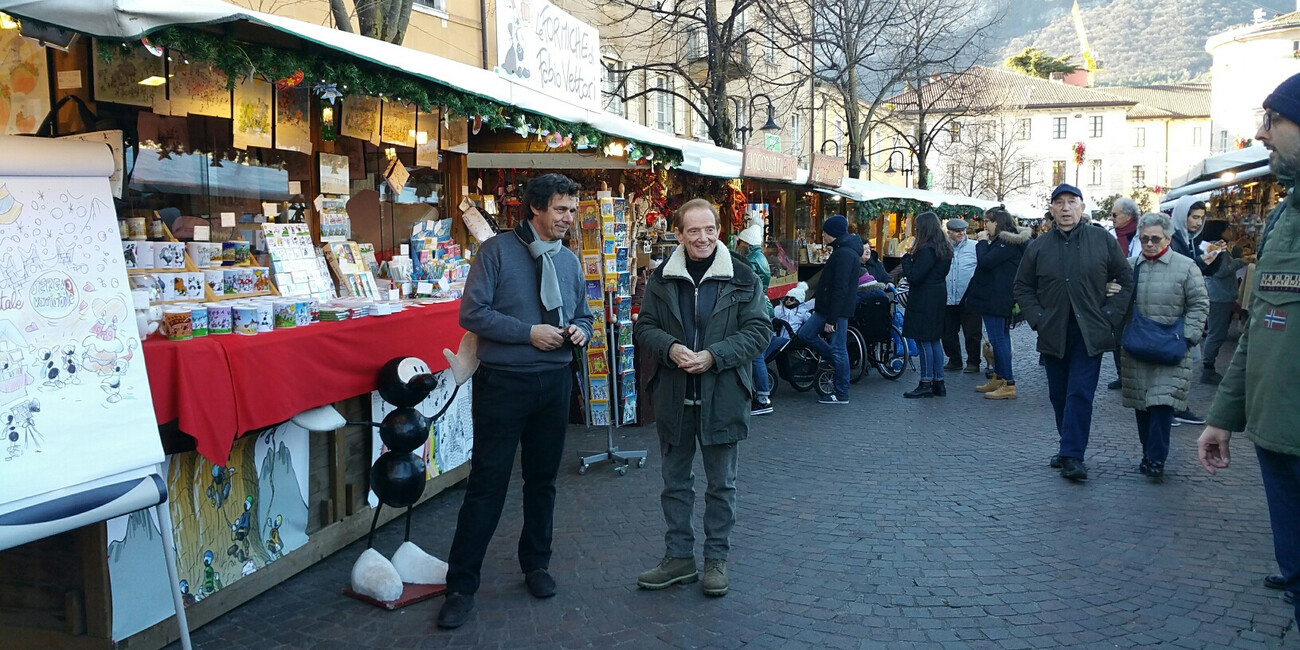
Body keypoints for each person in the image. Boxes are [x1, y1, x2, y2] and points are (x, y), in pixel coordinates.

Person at [439, 173, 594, 629]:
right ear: (537, 209)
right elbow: (473, 313)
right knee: (488, 484)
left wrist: (580, 329)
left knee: (543, 480)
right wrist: (528, 332)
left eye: (572, 210)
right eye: (562, 209)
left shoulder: (568, 262)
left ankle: (536, 564)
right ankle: (461, 585)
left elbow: (582, 312)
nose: (569, 218)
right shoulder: (496, 252)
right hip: (504, 385)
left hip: (554, 384)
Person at [1199, 73, 1300, 623]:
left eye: (1272, 119)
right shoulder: (1283, 216)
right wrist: (1224, 415)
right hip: (1276, 439)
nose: (1261, 135)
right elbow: (1264, 322)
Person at [634, 198, 769, 598]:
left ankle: (715, 561)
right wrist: (671, 347)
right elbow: (645, 327)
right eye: (693, 230)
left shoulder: (743, 277)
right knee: (675, 483)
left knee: (721, 486)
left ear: (719, 231)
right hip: (675, 397)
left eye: (709, 229)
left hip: (723, 397)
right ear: (679, 234)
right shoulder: (662, 278)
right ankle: (678, 558)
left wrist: (715, 356)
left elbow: (760, 330)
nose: (703, 237)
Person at [1014, 183, 1133, 481]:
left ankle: (1073, 455)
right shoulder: (1039, 246)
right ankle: (1068, 445)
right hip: (1053, 331)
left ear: (1082, 207)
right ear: (1052, 209)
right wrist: (1038, 318)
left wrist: (1109, 315)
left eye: (1072, 202)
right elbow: (1022, 286)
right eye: (1060, 203)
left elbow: (1126, 280)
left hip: (1089, 331)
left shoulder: (1101, 240)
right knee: (1058, 395)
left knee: (1080, 393)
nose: (1066, 208)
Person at [1121, 213, 1209, 479]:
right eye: (1144, 238)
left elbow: (1200, 303)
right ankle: (1148, 452)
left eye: (1155, 239)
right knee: (1141, 404)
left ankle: (1156, 458)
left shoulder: (1186, 266)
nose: (1149, 244)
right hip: (1137, 348)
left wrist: (1188, 337)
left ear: (1168, 239)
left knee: (1161, 404)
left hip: (1172, 348)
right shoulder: (1129, 266)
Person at [966, 206, 1029, 400]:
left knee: (998, 340)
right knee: (999, 337)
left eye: (988, 222)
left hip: (997, 298)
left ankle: (1008, 382)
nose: (985, 226)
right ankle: (999, 376)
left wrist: (982, 242)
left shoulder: (1006, 243)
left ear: (997, 223)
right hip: (995, 296)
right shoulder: (1005, 242)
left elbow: (986, 262)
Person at [797, 215, 862, 404]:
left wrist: (832, 319)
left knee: (838, 349)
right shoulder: (844, 251)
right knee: (806, 334)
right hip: (828, 308)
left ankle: (842, 392)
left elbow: (840, 288)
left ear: (831, 233)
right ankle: (833, 361)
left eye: (824, 231)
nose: (822, 235)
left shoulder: (843, 254)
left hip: (835, 310)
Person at [901, 211, 953, 398]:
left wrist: (906, 260)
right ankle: (938, 382)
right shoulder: (944, 247)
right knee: (934, 340)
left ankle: (926, 381)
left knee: (923, 340)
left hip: (925, 297)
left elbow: (915, 277)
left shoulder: (926, 250)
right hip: (938, 294)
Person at [735, 222, 777, 415]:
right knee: (756, 354)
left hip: (756, 309)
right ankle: (761, 394)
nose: (737, 246)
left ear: (746, 244)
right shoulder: (759, 257)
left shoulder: (750, 261)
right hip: (764, 307)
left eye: (740, 243)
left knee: (756, 355)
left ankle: (762, 397)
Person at [942, 218, 981, 373]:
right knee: (947, 332)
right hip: (947, 296)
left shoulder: (975, 247)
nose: (962, 233)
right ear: (949, 232)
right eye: (958, 231)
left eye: (964, 230)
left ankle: (973, 361)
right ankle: (954, 359)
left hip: (969, 297)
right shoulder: (943, 248)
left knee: (972, 332)